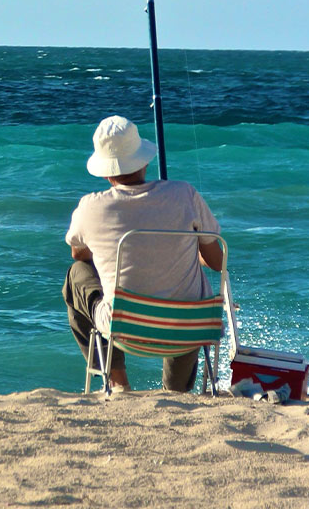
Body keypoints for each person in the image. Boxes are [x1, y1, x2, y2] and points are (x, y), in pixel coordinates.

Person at [62, 115, 223, 392]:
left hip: (124, 329)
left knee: (76, 276)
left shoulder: (90, 207)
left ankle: (117, 380)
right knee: (184, 294)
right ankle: (177, 389)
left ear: (105, 172)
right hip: (190, 328)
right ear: (144, 161)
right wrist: (183, 250)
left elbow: (79, 254)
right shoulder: (184, 194)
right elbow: (217, 262)